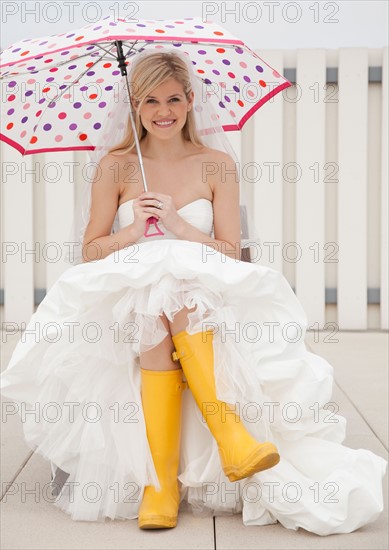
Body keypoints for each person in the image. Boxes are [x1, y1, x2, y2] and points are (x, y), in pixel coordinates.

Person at [0, 50, 386, 535]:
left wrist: (180, 226)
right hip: (131, 287)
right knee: (154, 307)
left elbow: (229, 248)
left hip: (204, 281)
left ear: (189, 101)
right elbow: (92, 253)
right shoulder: (116, 167)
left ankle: (184, 468)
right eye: (151, 101)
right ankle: (199, 459)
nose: (164, 111)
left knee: (176, 296)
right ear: (135, 106)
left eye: (174, 99)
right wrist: (135, 228)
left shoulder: (216, 164)